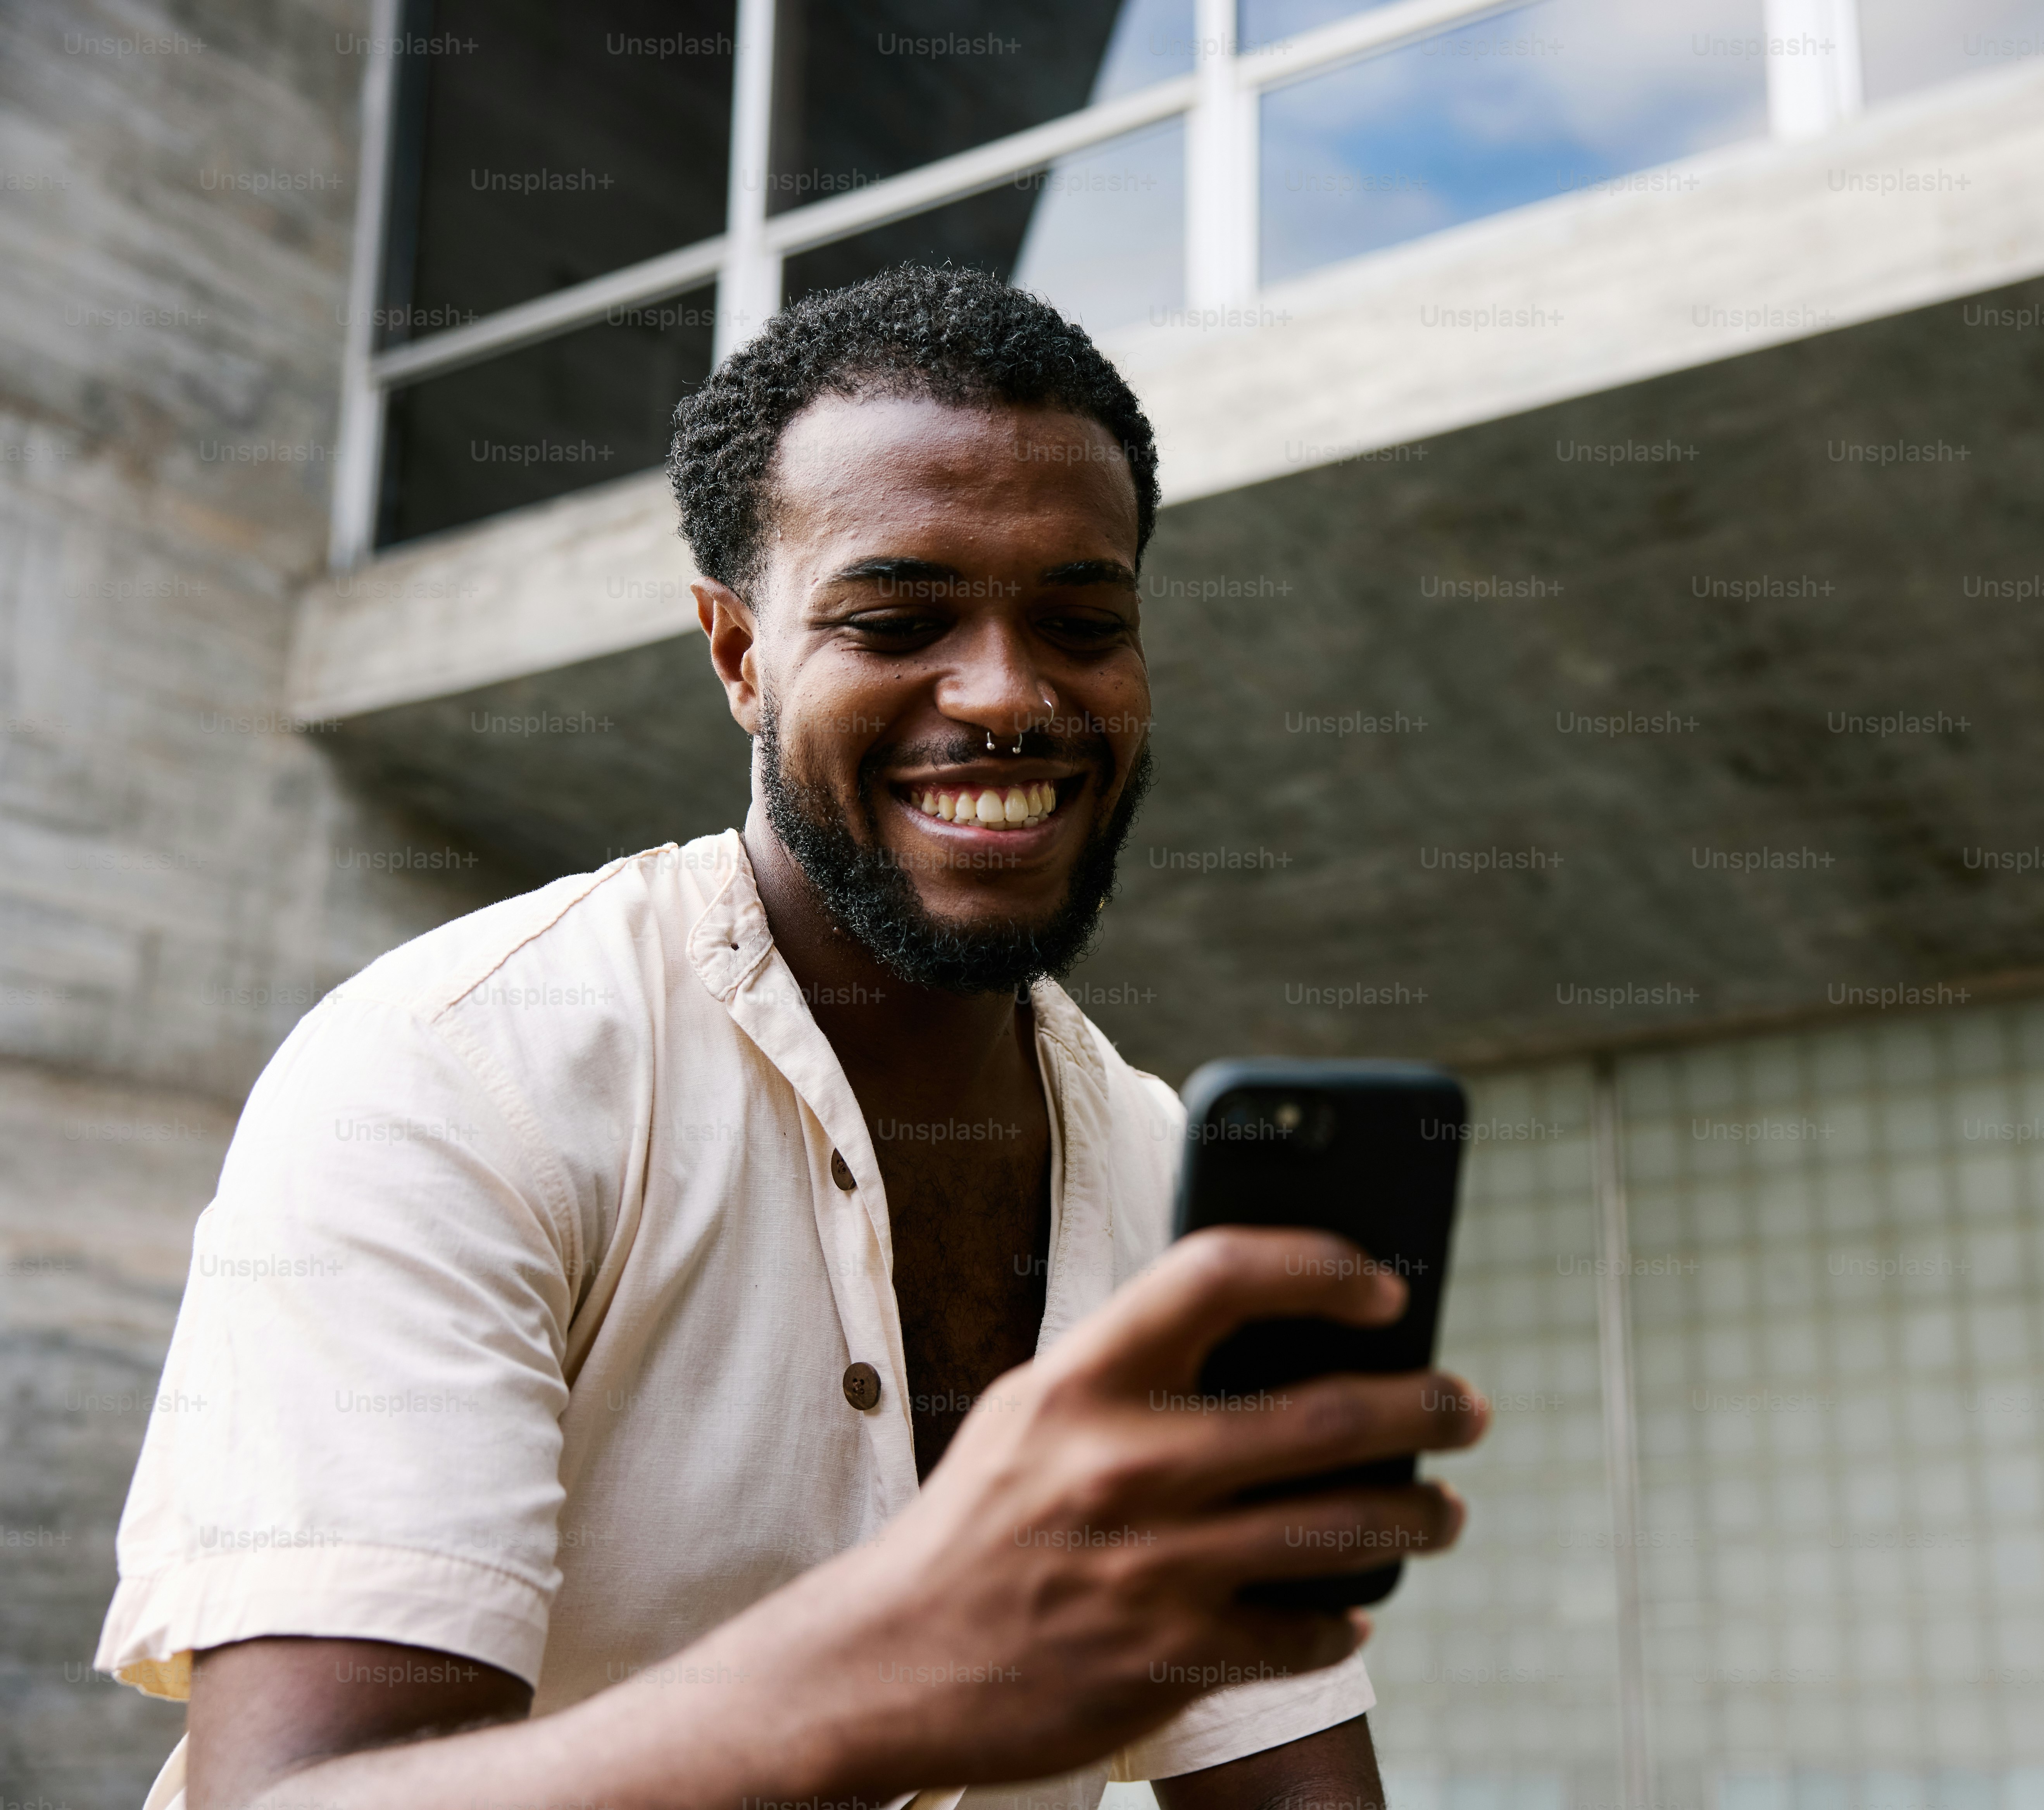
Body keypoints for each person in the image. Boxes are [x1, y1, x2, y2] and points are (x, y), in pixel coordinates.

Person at [95, 264, 1487, 1810]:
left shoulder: (1167, 1175)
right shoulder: (455, 1071)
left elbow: (1284, 1777)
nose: (1006, 692)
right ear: (739, 654)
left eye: (1082, 621)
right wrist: (890, 1678)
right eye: (898, 616)